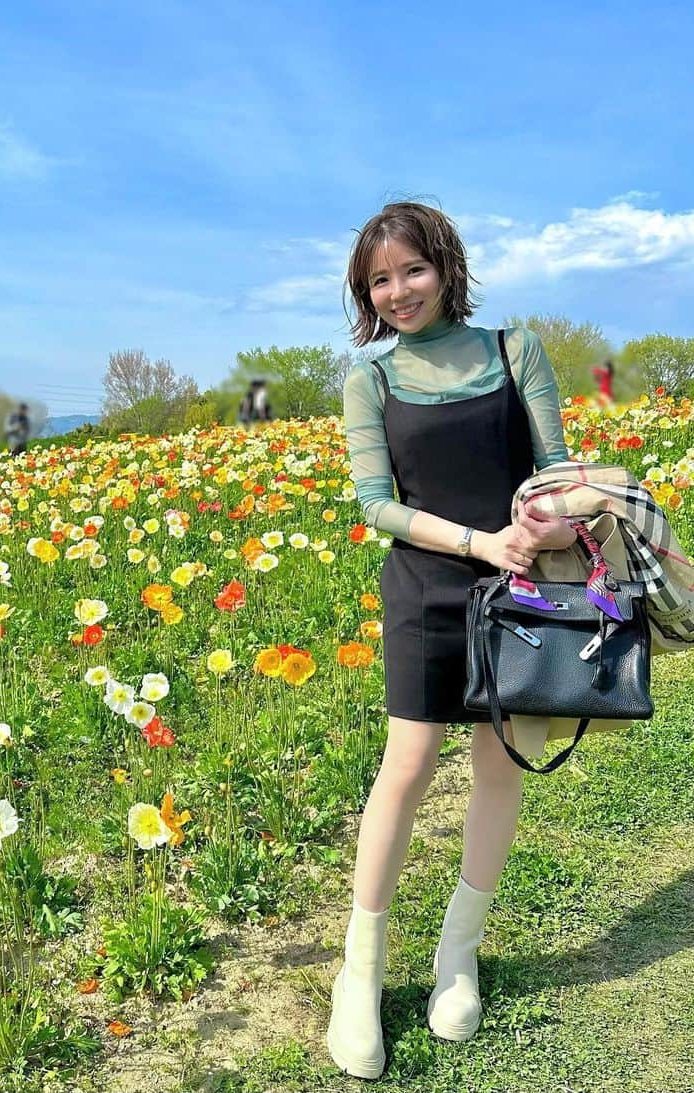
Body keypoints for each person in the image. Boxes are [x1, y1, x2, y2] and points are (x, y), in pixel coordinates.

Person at [329, 201, 578, 1079]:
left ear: (445, 266)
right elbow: (375, 504)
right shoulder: (373, 380)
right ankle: (358, 975)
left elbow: (557, 469)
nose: (397, 292)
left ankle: (456, 956)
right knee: (407, 763)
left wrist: (543, 526)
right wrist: (479, 542)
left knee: (501, 766)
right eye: (379, 281)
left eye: (411, 271)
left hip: (518, 589)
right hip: (428, 585)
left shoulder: (516, 351)